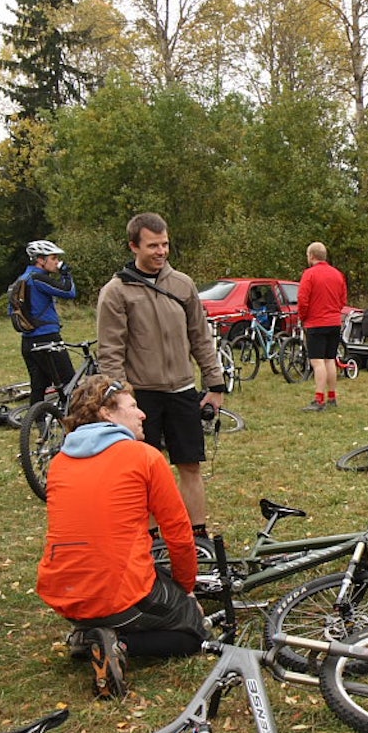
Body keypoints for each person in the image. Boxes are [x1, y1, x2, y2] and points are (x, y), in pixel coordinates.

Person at [37, 376, 207, 699]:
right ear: (106, 413)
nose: (143, 414)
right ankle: (117, 644)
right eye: (133, 406)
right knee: (193, 631)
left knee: (137, 582)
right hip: (119, 592)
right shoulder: (144, 457)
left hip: (65, 593)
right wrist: (187, 590)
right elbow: (178, 534)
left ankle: (87, 636)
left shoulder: (59, 463)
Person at [96, 213, 228, 546]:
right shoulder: (116, 291)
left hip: (182, 389)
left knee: (191, 464)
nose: (161, 251)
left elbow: (200, 337)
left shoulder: (182, 284)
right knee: (145, 471)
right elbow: (110, 350)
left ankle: (197, 534)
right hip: (142, 395)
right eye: (153, 245)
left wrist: (215, 384)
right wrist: (120, 399)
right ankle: (151, 539)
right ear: (134, 246)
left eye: (165, 244)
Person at [14, 239, 77, 405]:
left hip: (28, 341)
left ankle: (37, 419)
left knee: (38, 387)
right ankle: (74, 418)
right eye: (53, 258)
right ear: (40, 260)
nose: (57, 262)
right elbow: (69, 292)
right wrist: (66, 273)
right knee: (69, 383)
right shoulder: (38, 278)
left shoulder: (22, 279)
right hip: (47, 339)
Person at [298, 241, 349, 411]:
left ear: (311, 256)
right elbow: (342, 300)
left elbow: (303, 300)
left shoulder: (309, 274)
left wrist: (303, 317)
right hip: (334, 322)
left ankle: (319, 399)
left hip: (316, 322)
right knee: (330, 359)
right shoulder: (338, 274)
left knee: (317, 361)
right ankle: (332, 396)